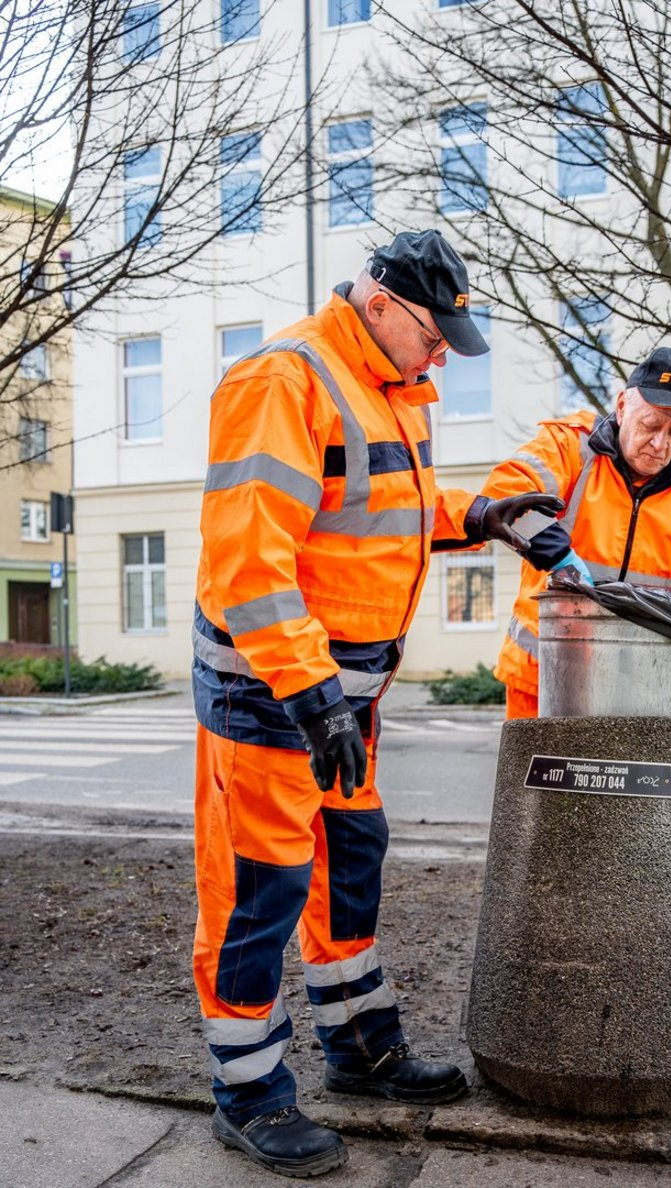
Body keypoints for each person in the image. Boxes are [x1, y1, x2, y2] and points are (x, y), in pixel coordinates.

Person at [191, 228, 562, 1178]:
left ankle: (359, 1047)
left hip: (341, 699)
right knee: (259, 892)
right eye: (437, 336)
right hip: (274, 694)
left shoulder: (391, 389)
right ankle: (250, 1095)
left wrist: (481, 515)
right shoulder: (285, 380)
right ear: (385, 304)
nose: (444, 355)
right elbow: (249, 561)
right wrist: (311, 693)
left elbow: (385, 512)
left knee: (350, 859)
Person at [481, 345, 671, 719]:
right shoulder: (569, 448)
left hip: (648, 683)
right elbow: (507, 493)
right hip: (547, 675)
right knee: (542, 779)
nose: (661, 444)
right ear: (623, 406)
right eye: (651, 425)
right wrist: (556, 553)